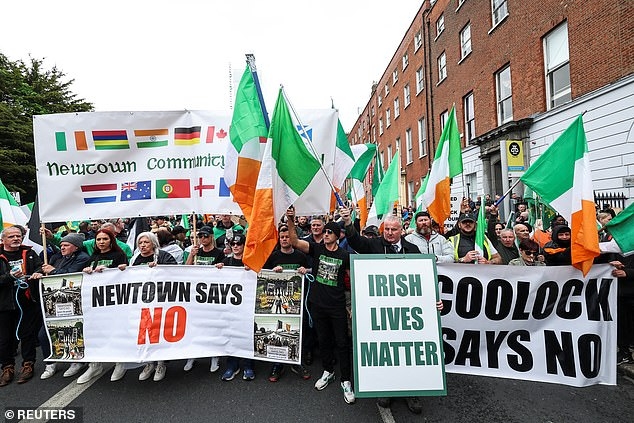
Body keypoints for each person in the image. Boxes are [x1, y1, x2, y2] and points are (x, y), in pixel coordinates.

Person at [340, 207, 443, 413]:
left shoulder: (412, 250)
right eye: (386, 229)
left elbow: (422, 279)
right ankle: (385, 389)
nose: (388, 233)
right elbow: (355, 241)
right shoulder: (374, 245)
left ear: (401, 231)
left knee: (407, 351)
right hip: (381, 311)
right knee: (386, 349)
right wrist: (348, 222)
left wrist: (434, 301)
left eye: (393, 230)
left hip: (405, 313)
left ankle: (411, 392)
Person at [286, 208, 355, 405]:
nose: (325, 235)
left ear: (337, 236)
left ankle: (346, 380)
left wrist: (353, 306)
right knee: (324, 340)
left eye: (329, 232)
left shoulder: (345, 256)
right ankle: (328, 371)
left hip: (337, 307)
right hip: (318, 305)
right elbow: (294, 242)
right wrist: (291, 221)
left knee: (342, 343)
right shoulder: (316, 249)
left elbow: (355, 278)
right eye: (324, 232)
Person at [110, 231, 177, 382]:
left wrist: (160, 268)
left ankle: (161, 363)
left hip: (161, 300)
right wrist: (124, 270)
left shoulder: (164, 256)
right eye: (140, 243)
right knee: (146, 333)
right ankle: (149, 363)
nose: (143, 245)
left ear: (153, 243)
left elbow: (175, 273)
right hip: (142, 302)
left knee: (159, 331)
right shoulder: (135, 258)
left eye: (146, 242)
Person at [32, 232, 92, 380]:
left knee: (71, 331)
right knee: (44, 334)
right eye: (62, 245)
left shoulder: (83, 258)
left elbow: (70, 274)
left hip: (72, 301)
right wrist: (38, 273)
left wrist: (52, 271)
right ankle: (50, 363)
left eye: (66, 245)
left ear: (76, 247)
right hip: (53, 302)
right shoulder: (56, 257)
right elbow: (44, 268)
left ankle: (76, 361)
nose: (62, 247)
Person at [72, 229, 128, 384]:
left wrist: (114, 270)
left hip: (114, 301)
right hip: (96, 303)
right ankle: (95, 364)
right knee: (95, 332)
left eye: (105, 239)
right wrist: (86, 271)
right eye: (98, 239)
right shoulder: (93, 257)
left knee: (115, 331)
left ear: (111, 240)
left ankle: (120, 362)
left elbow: (125, 275)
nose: (101, 242)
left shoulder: (119, 255)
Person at [262, 224, 311, 382]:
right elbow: (263, 274)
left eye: (287, 237)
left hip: (296, 302)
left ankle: (296, 362)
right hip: (277, 302)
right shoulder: (273, 256)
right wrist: (272, 271)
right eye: (282, 237)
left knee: (297, 331)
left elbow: (311, 269)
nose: (284, 239)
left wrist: (306, 270)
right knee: (277, 331)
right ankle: (278, 364)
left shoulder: (300, 256)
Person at [0, 226, 43, 386]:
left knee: (28, 335)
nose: (16, 239)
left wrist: (39, 272)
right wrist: (9, 276)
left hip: (27, 302)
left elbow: (40, 267)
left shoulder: (30, 253)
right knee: (5, 338)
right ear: (3, 240)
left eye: (18, 236)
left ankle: (28, 365)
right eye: (11, 236)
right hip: (4, 304)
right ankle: (7, 368)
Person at [182, 225, 224, 373]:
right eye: (200, 236)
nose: (203, 239)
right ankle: (192, 354)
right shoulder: (195, 252)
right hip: (195, 295)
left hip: (212, 295)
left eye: (205, 236)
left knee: (212, 326)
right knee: (194, 325)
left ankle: (214, 355)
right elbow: (186, 270)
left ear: (211, 236)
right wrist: (191, 255)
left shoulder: (219, 253)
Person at [216, 233, 256, 381]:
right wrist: (218, 268)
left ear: (244, 245)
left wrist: (252, 268)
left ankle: (248, 365)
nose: (235, 246)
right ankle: (232, 365)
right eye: (233, 244)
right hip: (231, 306)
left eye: (238, 244)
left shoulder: (251, 261)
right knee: (230, 334)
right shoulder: (226, 261)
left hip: (247, 305)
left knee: (246, 335)